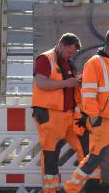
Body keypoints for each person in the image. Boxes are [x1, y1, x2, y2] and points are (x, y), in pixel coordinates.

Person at [65, 29, 109, 193]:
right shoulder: (93, 63)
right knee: (94, 159)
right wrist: (94, 114)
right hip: (102, 121)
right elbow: (88, 93)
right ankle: (71, 189)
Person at [31, 33, 89, 193]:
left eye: (73, 53)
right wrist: (67, 83)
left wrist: (77, 81)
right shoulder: (45, 59)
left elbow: (68, 84)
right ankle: (50, 190)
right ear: (62, 44)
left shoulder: (67, 62)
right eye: (70, 52)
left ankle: (86, 187)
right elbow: (41, 83)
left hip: (69, 116)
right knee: (50, 155)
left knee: (86, 150)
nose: (71, 55)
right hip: (50, 115)